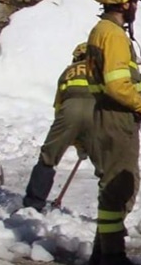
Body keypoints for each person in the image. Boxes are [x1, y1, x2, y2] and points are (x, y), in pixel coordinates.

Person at [86, 0, 141, 265]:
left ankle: (102, 251)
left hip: (107, 115)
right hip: (116, 119)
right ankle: (112, 256)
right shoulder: (114, 35)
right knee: (119, 187)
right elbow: (117, 88)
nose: (136, 8)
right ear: (125, 3)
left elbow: (117, 80)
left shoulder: (101, 30)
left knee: (113, 187)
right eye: (134, 2)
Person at [22, 43, 97, 211]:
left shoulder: (68, 72)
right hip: (96, 113)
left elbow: (58, 106)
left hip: (68, 112)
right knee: (105, 166)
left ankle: (33, 205)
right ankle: (111, 214)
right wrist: (86, 144)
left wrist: (70, 138)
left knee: (48, 159)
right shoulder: (102, 70)